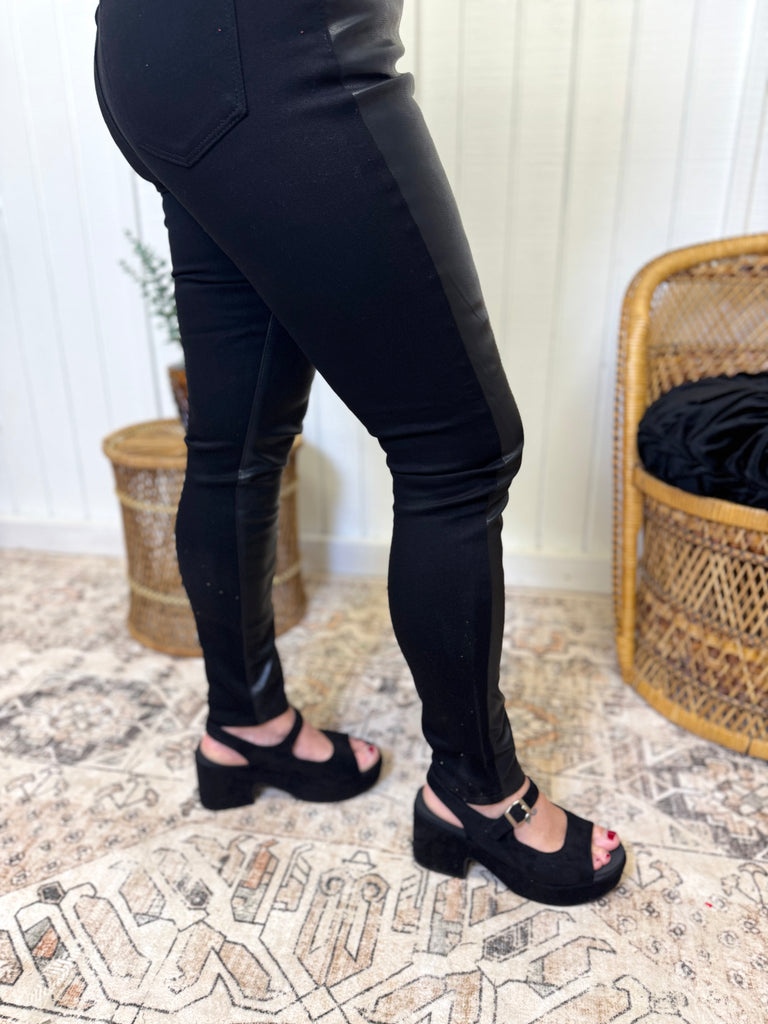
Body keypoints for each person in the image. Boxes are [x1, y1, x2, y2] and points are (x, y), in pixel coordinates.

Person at [94, 0, 624, 906]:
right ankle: (478, 793)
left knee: (236, 441)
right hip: (275, 46)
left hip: (155, 50)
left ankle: (245, 725)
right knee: (459, 453)